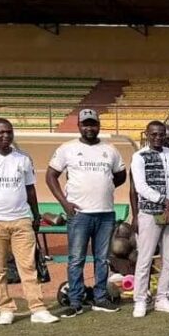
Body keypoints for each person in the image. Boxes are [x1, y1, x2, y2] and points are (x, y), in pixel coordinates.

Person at [0, 118, 59, 325]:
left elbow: (30, 190)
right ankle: (5, 308)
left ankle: (37, 308)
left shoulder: (23, 158)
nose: (5, 136)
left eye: (9, 132)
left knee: (28, 265)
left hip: (21, 220)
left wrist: (36, 215)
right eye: (1, 132)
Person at [46, 108, 126, 317]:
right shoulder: (67, 149)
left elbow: (120, 176)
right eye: (86, 124)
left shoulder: (110, 150)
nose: (89, 128)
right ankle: (75, 301)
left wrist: (103, 188)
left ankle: (100, 298)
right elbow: (51, 176)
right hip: (79, 215)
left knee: (101, 259)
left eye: (93, 124)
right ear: (79, 126)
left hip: (105, 213)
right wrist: (64, 203)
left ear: (99, 125)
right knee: (76, 259)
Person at [131, 120, 169, 317]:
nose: (158, 137)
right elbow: (141, 187)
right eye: (153, 134)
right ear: (147, 134)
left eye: (161, 134)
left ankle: (162, 297)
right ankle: (140, 300)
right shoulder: (139, 157)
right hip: (150, 212)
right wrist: (164, 201)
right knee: (145, 258)